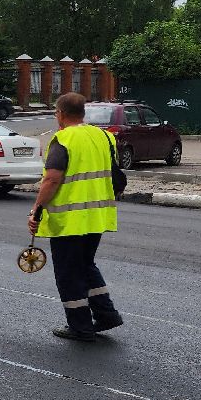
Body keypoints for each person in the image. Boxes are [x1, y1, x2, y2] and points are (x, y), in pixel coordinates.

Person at [29, 92, 123, 340]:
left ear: (60, 114)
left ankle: (80, 326)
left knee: (69, 272)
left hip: (70, 219)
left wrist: (36, 209)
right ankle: (106, 315)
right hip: (98, 216)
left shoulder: (63, 139)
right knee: (86, 265)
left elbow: (52, 179)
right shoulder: (103, 136)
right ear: (83, 113)